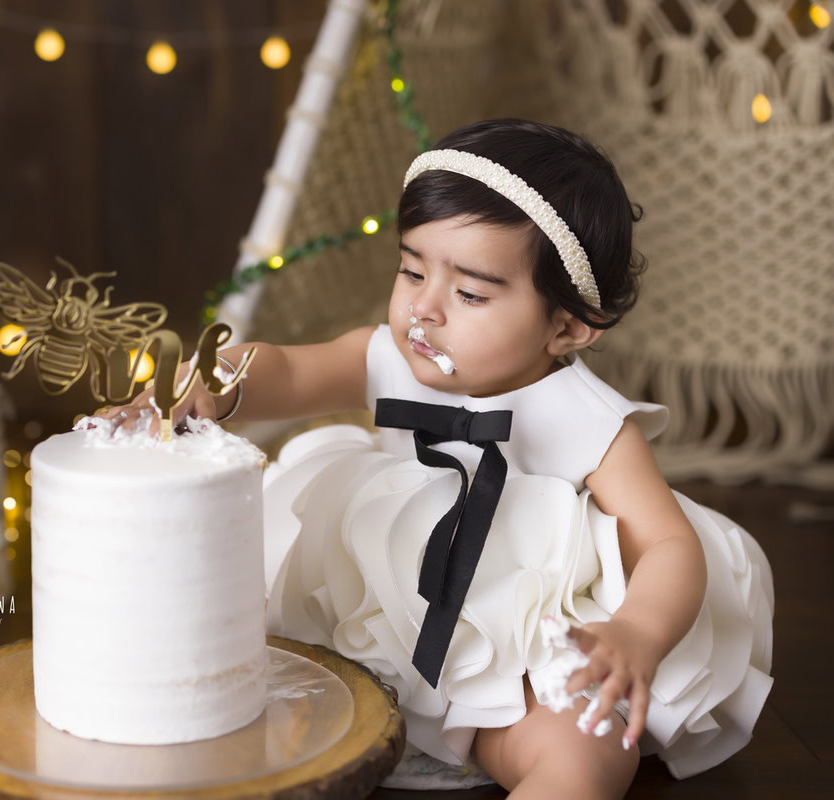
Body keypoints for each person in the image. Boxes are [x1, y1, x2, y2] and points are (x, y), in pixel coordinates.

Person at [93, 118, 773, 798]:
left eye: (470, 293)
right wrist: (197, 389)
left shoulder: (587, 421)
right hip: (373, 617)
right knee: (227, 671)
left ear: (567, 327)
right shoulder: (389, 357)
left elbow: (668, 543)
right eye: (412, 269)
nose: (423, 308)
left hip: (513, 654)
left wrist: (637, 634)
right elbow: (290, 372)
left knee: (586, 752)